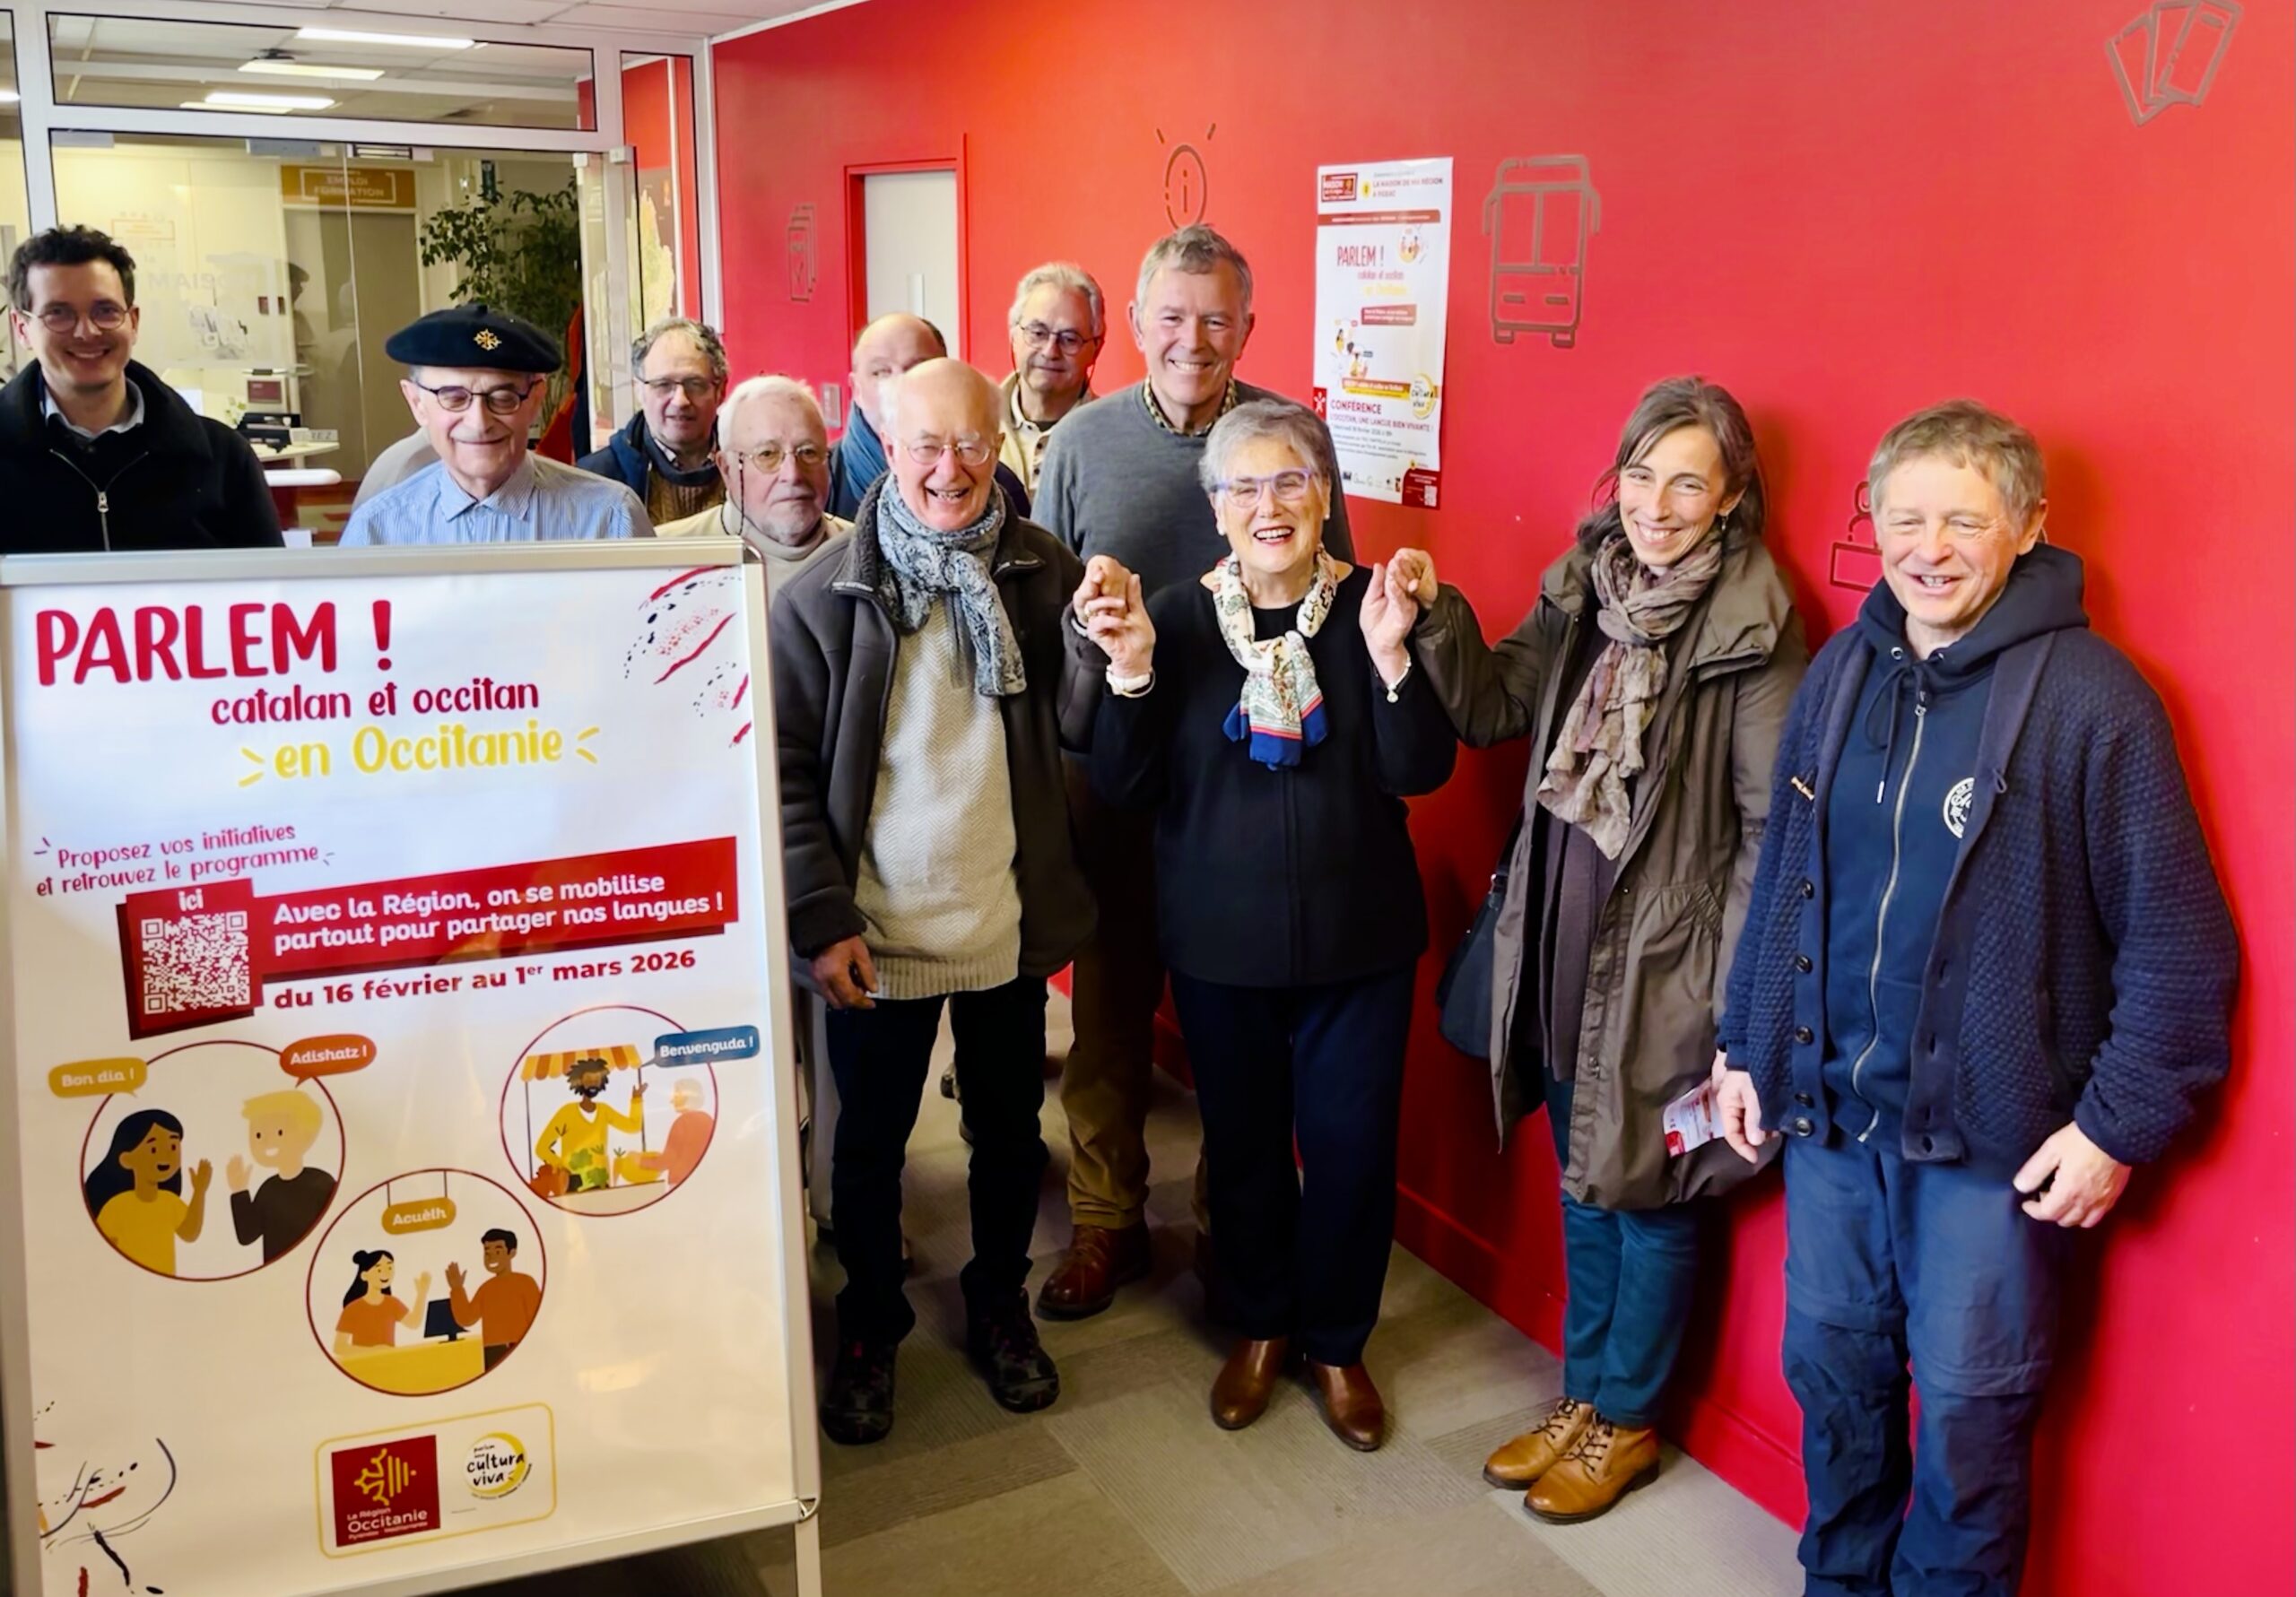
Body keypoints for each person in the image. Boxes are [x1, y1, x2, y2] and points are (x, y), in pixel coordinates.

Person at [1712, 400, 2236, 1595]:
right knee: (1836, 1389)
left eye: (1963, 519)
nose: (1928, 548)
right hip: (1832, 1129)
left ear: (2029, 526)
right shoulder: (1841, 671)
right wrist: (1747, 1044)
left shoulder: (2096, 701)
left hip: (1989, 1154)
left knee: (1969, 1424)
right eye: (1904, 518)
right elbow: (1784, 877)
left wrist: (2114, 1128)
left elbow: (2180, 947)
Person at [1393, 376, 1805, 1522]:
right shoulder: (1585, 584)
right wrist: (1435, 613)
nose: (1655, 505)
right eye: (1640, 474)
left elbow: (1769, 834)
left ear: (1730, 498)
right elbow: (1495, 705)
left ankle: (1627, 1419)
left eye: (1687, 483)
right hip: (1562, 935)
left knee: (1653, 1191)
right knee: (1585, 1173)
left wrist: (1729, 1002)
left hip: (1672, 962)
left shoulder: (1753, 624)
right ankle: (1581, 1398)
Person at [1085, 400, 1453, 1451]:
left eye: (1289, 480)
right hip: (1219, 937)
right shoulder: (1174, 618)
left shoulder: (1375, 604)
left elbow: (1419, 768)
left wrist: (1392, 658)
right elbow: (1125, 784)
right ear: (1215, 509)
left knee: (1349, 1151)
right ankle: (1259, 1325)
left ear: (1324, 494)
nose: (1268, 505)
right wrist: (1130, 671)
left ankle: (1336, 1341)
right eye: (1242, 487)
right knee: (1243, 1146)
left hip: (1359, 938)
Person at [771, 357, 1124, 1444]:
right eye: (924, 444)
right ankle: (872, 1322)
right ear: (885, 447)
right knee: (868, 1150)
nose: (949, 468)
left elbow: (1082, 728)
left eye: (971, 442)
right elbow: (783, 775)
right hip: (875, 932)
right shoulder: (819, 598)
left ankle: (997, 1299)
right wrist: (821, 919)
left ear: (998, 445)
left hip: (1003, 922)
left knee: (1008, 1135)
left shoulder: (1046, 571)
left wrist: (1111, 652)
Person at [1032, 222, 1355, 1323]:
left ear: (1248, 326)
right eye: (1172, 316)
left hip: (1246, 779)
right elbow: (1044, 615)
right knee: (1110, 1011)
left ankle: (1235, 1230)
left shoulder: (1291, 438)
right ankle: (1105, 1220)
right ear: (1134, 323)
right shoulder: (1080, 442)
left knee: (1243, 1024)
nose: (1193, 339)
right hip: (1112, 768)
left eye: (1217, 318)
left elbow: (1335, 596)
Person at [0, 225, 281, 553]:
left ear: (133, 322)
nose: (86, 332)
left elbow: (271, 582)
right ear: (22, 328)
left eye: (105, 311)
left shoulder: (224, 457)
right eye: (58, 314)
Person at [338, 304, 649, 545]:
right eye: (454, 398)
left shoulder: (609, 519)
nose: (479, 423)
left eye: (502, 398)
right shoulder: (377, 530)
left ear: (536, 399)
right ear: (417, 403)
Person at [827, 313, 1029, 521]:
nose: (899, 384)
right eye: (881, 372)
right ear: (856, 389)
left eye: (917, 369)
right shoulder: (822, 482)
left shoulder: (1000, 485)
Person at [657, 374, 850, 590]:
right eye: (767, 454)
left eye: (808, 452)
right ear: (727, 469)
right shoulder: (662, 558)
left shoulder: (866, 551)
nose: (793, 474)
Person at [579, 316, 728, 525]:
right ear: (639, 391)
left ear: (720, 390)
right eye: (663, 385)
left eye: (695, 384)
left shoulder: (754, 466)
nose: (680, 401)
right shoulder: (595, 481)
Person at [1000, 263, 1104, 495]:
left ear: (1096, 348)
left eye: (1069, 339)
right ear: (1013, 336)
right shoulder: (973, 426)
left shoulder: (1115, 437)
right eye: (1038, 333)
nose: (1050, 351)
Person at [83, 1108, 213, 1277]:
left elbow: (189, 1233)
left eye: (173, 1146)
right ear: (126, 1159)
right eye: (153, 1149)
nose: (166, 1155)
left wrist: (200, 1191)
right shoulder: (115, 1207)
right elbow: (101, 1252)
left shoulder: (169, 1201)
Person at [226, 1089, 336, 1263]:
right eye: (258, 1135)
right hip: (277, 1275)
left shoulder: (322, 1183)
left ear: (306, 1135)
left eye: (279, 1132)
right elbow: (247, 1235)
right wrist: (239, 1191)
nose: (267, 1142)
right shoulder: (268, 1189)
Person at [534, 1056, 646, 1193]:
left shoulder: (604, 1110)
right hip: (573, 1183)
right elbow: (541, 1148)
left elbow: (633, 1126)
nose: (593, 1083)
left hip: (600, 1182)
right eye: (588, 1079)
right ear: (579, 1081)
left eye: (596, 1080)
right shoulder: (566, 1112)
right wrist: (560, 1165)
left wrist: (636, 1100)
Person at [446, 1228, 544, 1370]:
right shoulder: (486, 1288)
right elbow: (467, 1318)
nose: (491, 1257)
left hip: (520, 1346)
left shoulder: (526, 1283)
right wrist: (457, 1289)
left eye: (498, 1251)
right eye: (487, 1252)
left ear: (512, 1253)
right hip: (492, 1350)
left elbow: (537, 1318)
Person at [334, 1248, 429, 1354]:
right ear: (364, 1275)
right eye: (379, 1270)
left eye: (389, 1268)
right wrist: (374, 1351)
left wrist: (422, 1293)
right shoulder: (352, 1309)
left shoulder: (392, 1303)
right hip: (363, 1363)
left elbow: (414, 1323)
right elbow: (339, 1348)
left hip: (389, 1361)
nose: (386, 1274)